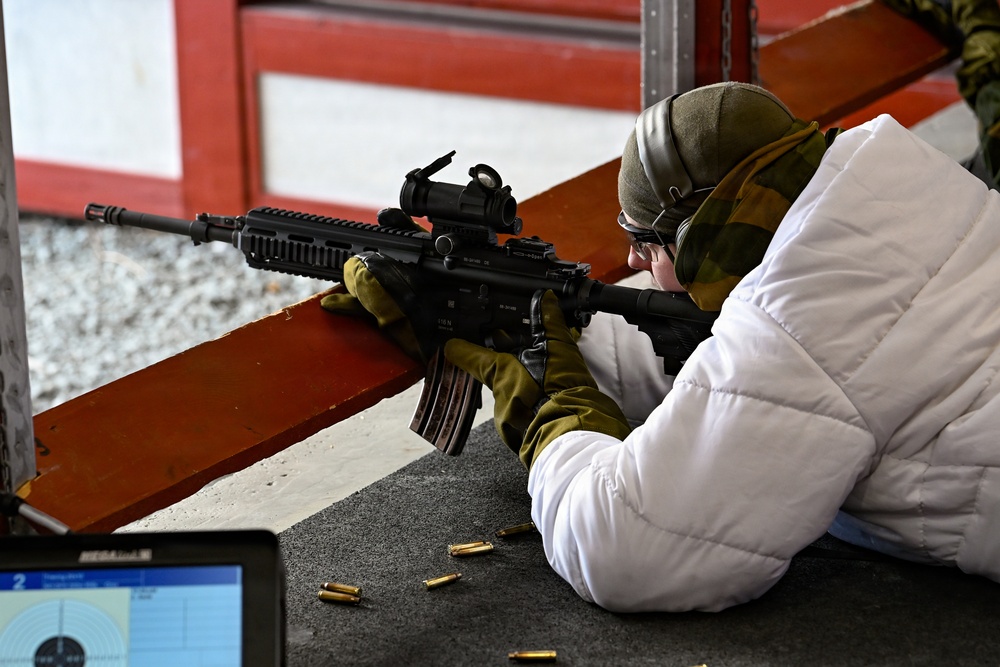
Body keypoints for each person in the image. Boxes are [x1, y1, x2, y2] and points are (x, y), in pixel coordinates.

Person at [322, 0, 1000, 612]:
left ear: (702, 234)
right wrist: (532, 320)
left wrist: (551, 410)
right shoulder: (882, 198)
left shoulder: (798, 322)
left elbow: (631, 549)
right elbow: (721, 363)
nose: (638, 265)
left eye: (645, 244)